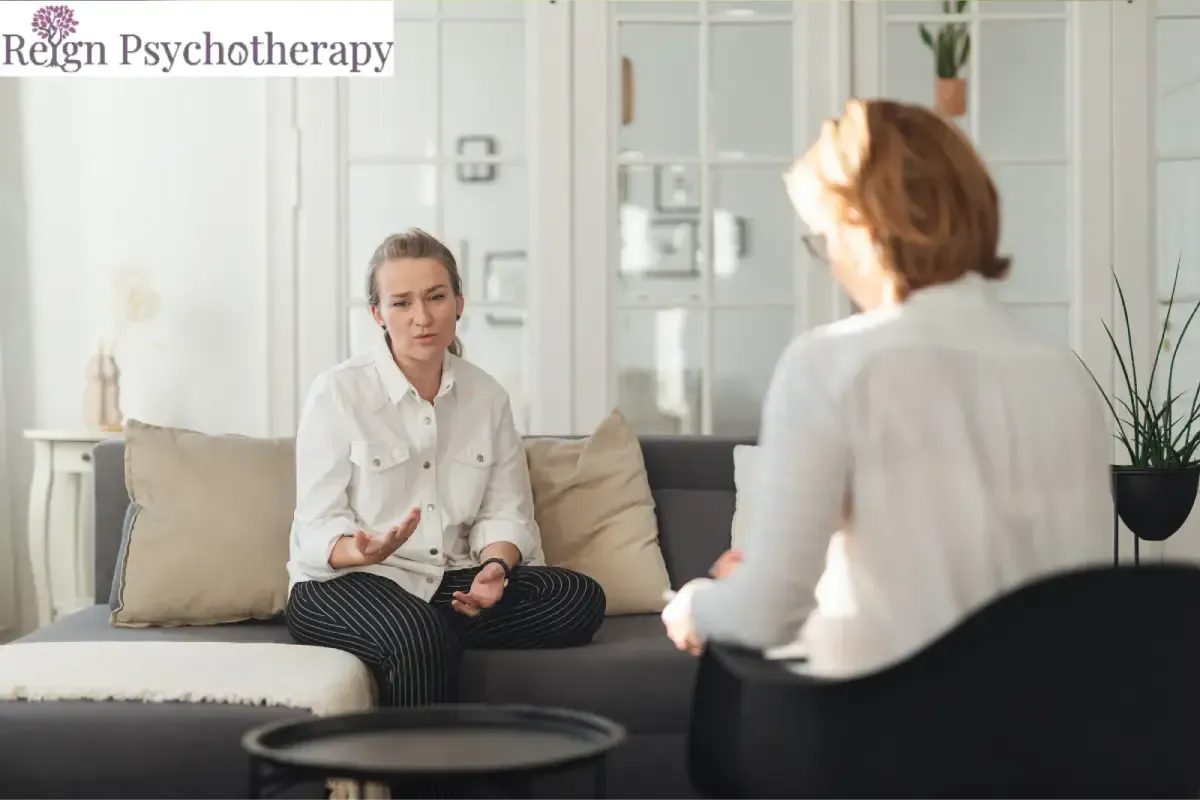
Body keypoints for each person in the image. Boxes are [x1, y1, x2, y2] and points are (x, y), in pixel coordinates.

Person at [662, 98, 1112, 678]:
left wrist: (697, 604)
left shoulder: (831, 364)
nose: (831, 260)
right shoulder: (1065, 375)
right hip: (1062, 722)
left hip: (892, 721)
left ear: (862, 228)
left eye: (825, 236)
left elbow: (766, 615)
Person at [285, 227, 606, 711]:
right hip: (344, 583)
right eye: (402, 303)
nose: (422, 317)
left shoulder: (488, 397)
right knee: (417, 634)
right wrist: (362, 550)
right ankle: (422, 664)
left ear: (459, 302)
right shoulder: (337, 393)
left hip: (447, 583)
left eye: (436, 297)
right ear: (378, 314)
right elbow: (315, 526)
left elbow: (505, 511)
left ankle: (424, 639)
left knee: (576, 596)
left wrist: (495, 568)